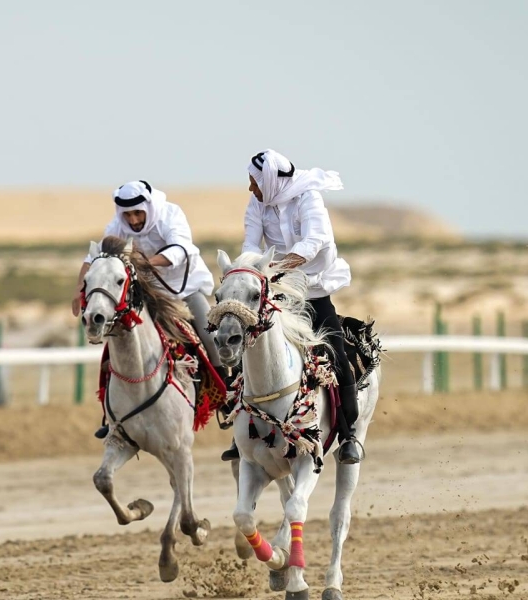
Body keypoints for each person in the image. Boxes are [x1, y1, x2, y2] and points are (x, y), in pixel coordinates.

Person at [220, 149, 363, 465]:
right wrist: (248, 270)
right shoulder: (257, 202)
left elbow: (313, 244)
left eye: (255, 182)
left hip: (312, 292)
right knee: (246, 349)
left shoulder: (309, 198)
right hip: (275, 293)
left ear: (271, 180)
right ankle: (240, 434)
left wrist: (273, 268)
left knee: (337, 355)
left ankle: (348, 434)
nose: (251, 188)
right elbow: (250, 244)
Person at [73, 181, 220, 438]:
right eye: (127, 215)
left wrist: (144, 263)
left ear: (148, 208)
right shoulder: (118, 225)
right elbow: (95, 257)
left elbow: (180, 249)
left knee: (210, 336)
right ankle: (112, 413)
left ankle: (228, 390)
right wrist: (79, 289)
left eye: (137, 213)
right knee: (119, 337)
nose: (133, 220)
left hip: (185, 290)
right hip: (148, 294)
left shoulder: (170, 214)